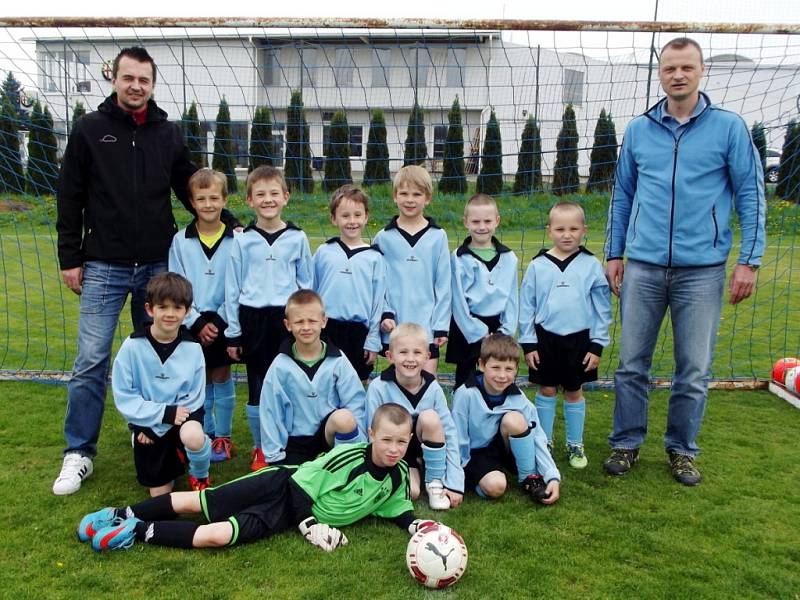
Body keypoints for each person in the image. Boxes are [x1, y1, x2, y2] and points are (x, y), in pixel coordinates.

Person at [53, 46, 228, 496]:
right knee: (91, 359)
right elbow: (70, 195)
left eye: (144, 80)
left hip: (156, 264)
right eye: (128, 78)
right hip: (103, 264)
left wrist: (233, 225)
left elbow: (191, 187)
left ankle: (157, 433)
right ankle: (79, 453)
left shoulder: (167, 132)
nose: (136, 86)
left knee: (160, 356)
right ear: (115, 78)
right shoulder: (89, 129)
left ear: (152, 83)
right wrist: (69, 257)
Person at [604, 37, 766, 486]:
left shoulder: (729, 128)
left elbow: (751, 194)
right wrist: (615, 252)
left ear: (702, 70)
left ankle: (681, 450)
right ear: (660, 73)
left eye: (686, 67)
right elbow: (623, 196)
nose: (678, 75)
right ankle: (626, 442)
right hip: (644, 266)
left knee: (693, 368)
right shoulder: (638, 130)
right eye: (670, 68)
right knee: (631, 362)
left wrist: (749, 260)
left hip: (703, 269)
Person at [77, 403, 434, 552]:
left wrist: (413, 526)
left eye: (401, 442)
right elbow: (299, 485)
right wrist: (310, 524)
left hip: (282, 515)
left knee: (216, 536)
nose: (394, 449)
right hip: (280, 486)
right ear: (372, 435)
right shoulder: (347, 457)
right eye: (386, 439)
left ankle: (133, 532)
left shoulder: (399, 474)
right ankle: (120, 513)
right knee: (199, 502)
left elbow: (395, 504)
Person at [224, 165, 313, 471]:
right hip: (254, 319)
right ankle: (260, 447)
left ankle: (289, 441)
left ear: (285, 197)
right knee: (258, 384)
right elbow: (232, 287)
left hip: (286, 320)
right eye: (260, 194)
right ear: (249, 200)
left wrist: (305, 321)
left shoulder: (297, 237)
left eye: (274, 193)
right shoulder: (242, 240)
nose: (268, 199)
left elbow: (306, 284)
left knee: (289, 381)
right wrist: (233, 332)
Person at [519, 201, 611, 469]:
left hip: (579, 340)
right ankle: (544, 442)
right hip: (545, 338)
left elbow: (602, 308)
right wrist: (528, 343)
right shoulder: (538, 265)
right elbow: (527, 306)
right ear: (549, 231)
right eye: (560, 228)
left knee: (574, 390)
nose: (567, 234)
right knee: (546, 389)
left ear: (584, 230)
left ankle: (575, 444)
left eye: (573, 228)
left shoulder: (591, 265)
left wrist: (597, 345)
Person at [110, 272, 212, 495]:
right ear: (149, 309)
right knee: (160, 496)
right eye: (163, 307)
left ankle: (200, 473)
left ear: (187, 312)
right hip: (149, 420)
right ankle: (162, 451)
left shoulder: (193, 349)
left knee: (193, 436)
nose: (170, 314)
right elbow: (125, 395)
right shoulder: (132, 347)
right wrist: (158, 419)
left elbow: (194, 397)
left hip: (184, 415)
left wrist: (166, 420)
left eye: (177, 308)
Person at [169, 169, 237, 463]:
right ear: (192, 202)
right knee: (198, 379)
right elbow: (176, 283)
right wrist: (194, 321)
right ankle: (205, 433)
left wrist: (220, 322)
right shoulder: (180, 241)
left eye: (214, 198)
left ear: (224, 200)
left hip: (225, 320)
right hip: (191, 321)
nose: (208, 204)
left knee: (221, 374)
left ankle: (223, 436)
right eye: (201, 199)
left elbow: (239, 286)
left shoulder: (238, 239)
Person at [259, 290, 366, 466]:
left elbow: (356, 403)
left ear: (323, 322)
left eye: (312, 321)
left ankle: (348, 465)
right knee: (295, 490)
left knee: (344, 417)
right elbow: (271, 412)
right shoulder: (280, 366)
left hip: (328, 438)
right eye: (299, 321)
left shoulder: (338, 360)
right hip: (295, 443)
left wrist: (362, 448)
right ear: (288, 324)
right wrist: (274, 457)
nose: (306, 327)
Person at [365, 323, 464, 510]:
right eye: (403, 352)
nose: (410, 359)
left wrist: (455, 482)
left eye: (417, 353)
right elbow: (370, 433)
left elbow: (449, 433)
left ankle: (434, 481)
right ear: (390, 356)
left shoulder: (433, 388)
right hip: (395, 451)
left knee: (430, 418)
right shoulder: (378, 387)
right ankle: (415, 472)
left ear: (427, 357)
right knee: (412, 493)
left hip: (425, 443)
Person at [451, 334, 560, 504]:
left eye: (509, 369)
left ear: (516, 369)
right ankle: (472, 480)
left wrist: (552, 476)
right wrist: (455, 481)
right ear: (481, 365)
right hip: (475, 454)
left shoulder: (518, 398)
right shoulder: (465, 394)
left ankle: (530, 478)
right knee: (496, 487)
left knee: (515, 419)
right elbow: (457, 440)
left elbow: (537, 435)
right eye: (495, 367)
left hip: (503, 449)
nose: (502, 375)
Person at [373, 166, 451, 375]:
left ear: (427, 198)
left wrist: (441, 325)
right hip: (395, 327)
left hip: (427, 326)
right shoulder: (383, 238)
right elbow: (377, 283)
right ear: (394, 196)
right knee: (398, 387)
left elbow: (444, 284)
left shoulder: (438, 236)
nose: (410, 199)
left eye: (417, 194)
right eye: (404, 193)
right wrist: (385, 313)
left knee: (426, 385)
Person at [312, 185, 386, 383]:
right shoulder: (323, 252)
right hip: (326, 329)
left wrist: (372, 340)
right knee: (324, 383)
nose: (352, 221)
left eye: (357, 215)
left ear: (366, 217)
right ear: (333, 218)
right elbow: (312, 293)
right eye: (345, 216)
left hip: (358, 332)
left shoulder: (374, 258)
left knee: (354, 386)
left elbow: (378, 303)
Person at [446, 193, 519, 389]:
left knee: (495, 379)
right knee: (465, 382)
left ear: (497, 221)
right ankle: (460, 417)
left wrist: (505, 331)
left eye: (487, 221)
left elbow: (512, 298)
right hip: (468, 327)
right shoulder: (458, 258)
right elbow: (458, 301)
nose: (482, 226)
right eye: (475, 221)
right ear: (466, 222)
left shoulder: (509, 258)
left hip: (498, 329)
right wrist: (477, 332)